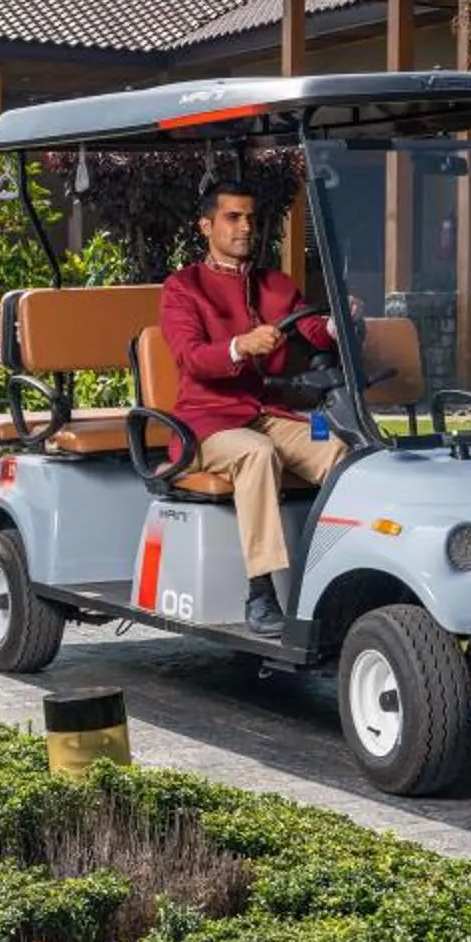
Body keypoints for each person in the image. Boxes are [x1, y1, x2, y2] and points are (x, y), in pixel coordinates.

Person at [157, 176, 346, 636]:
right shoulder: (183, 288)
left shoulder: (274, 284)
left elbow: (313, 330)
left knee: (341, 450)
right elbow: (192, 358)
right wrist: (241, 346)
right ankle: (260, 591)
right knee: (256, 454)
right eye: (233, 218)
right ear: (207, 226)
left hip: (267, 414)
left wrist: (341, 322)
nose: (246, 228)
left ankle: (336, 576)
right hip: (205, 423)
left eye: (251, 219)